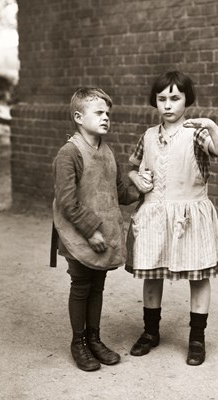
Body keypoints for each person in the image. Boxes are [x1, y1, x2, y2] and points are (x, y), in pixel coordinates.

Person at [126, 71, 218, 366]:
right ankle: (150, 333)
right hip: (154, 215)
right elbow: (134, 167)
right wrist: (137, 178)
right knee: (151, 273)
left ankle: (197, 339)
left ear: (187, 100)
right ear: (155, 102)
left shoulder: (196, 132)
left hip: (189, 215)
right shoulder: (148, 135)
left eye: (175, 98)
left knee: (198, 276)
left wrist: (210, 124)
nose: (168, 105)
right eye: (162, 99)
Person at [51, 87, 138, 372]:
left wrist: (141, 186)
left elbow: (120, 194)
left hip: (104, 234)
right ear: (79, 116)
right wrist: (90, 231)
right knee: (81, 285)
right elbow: (67, 202)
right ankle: (78, 343)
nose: (106, 118)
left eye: (108, 114)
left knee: (97, 285)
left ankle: (94, 339)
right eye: (99, 113)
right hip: (78, 234)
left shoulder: (108, 152)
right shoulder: (69, 153)